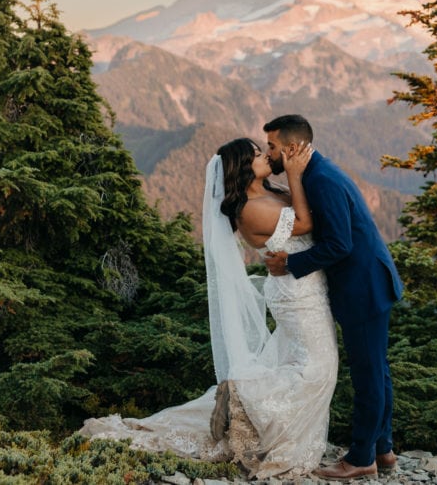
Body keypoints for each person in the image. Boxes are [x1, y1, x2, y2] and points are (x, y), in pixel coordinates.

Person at [80, 138, 337, 480]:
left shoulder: (266, 193)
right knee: (318, 370)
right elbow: (305, 223)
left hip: (304, 289)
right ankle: (243, 397)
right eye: (257, 154)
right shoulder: (250, 208)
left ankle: (252, 405)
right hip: (295, 295)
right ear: (243, 167)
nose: (264, 155)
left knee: (298, 364)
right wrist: (294, 172)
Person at [263, 114, 404, 481]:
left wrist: (290, 263)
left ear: (292, 148)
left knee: (368, 373)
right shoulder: (315, 174)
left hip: (363, 287)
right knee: (377, 369)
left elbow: (339, 244)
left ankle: (361, 458)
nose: (269, 153)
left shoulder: (321, 181)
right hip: (367, 282)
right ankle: (383, 448)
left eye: (272, 147)